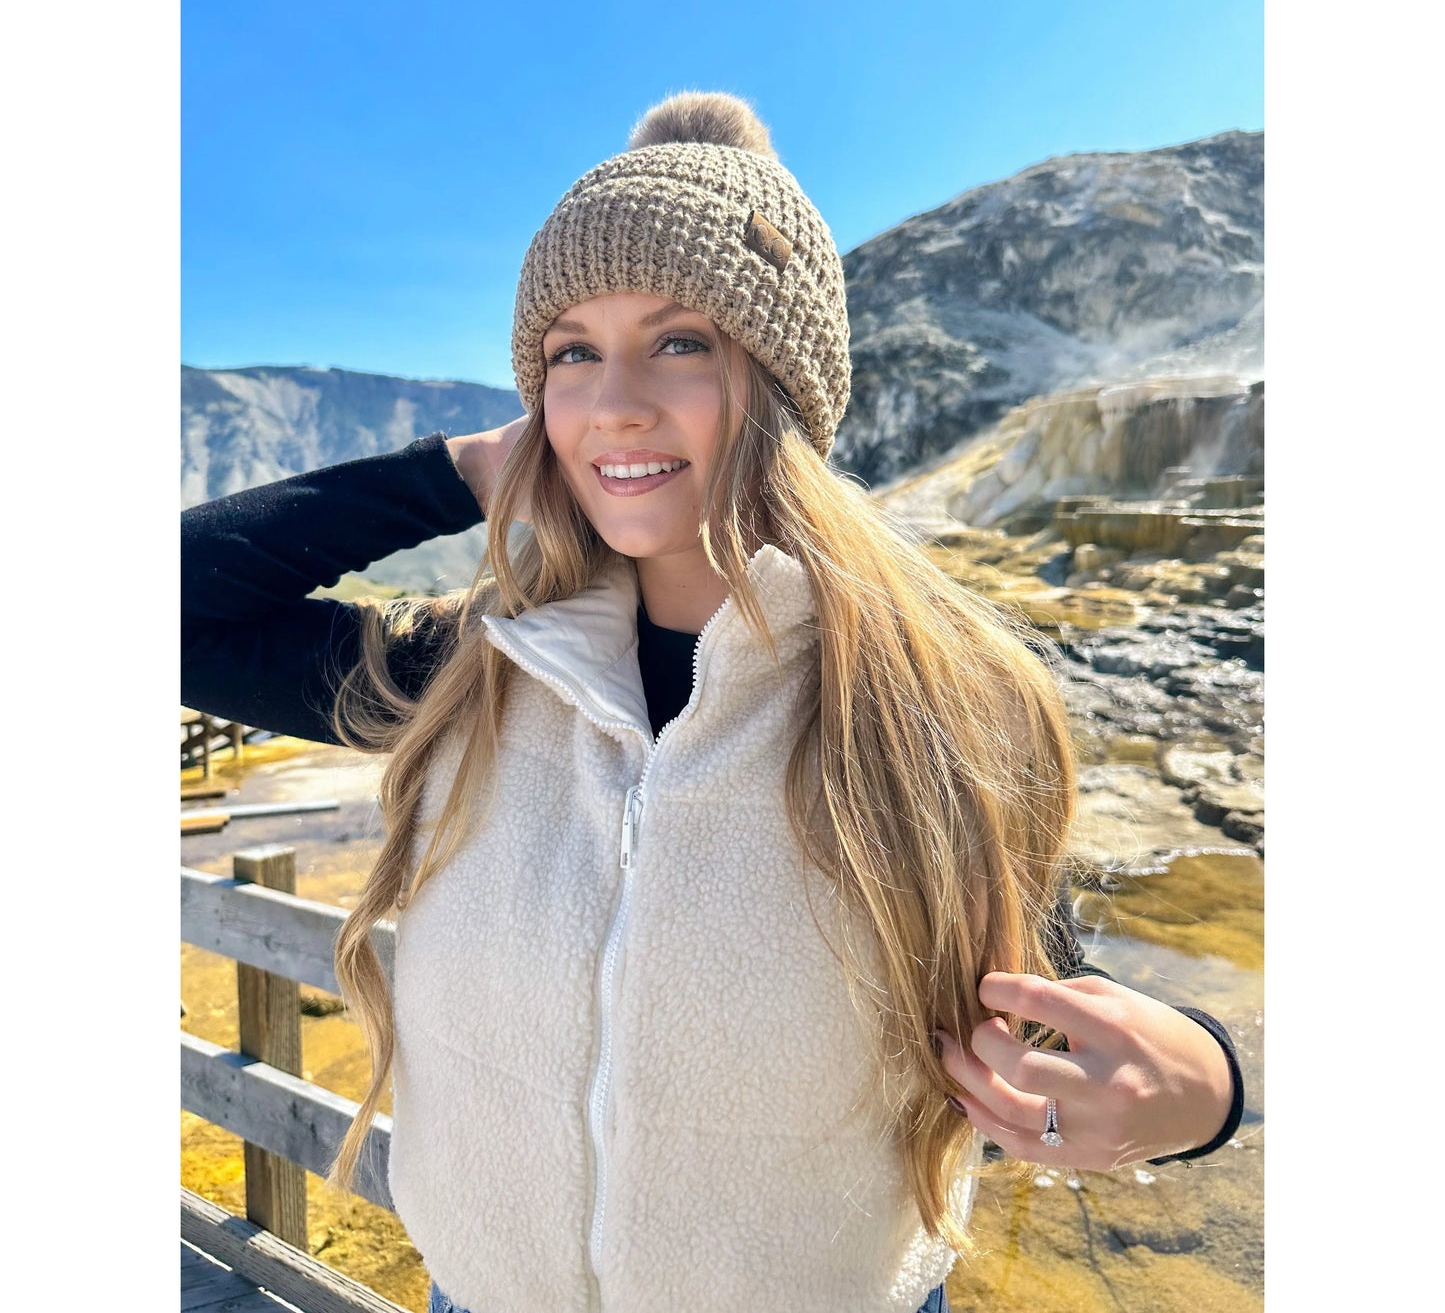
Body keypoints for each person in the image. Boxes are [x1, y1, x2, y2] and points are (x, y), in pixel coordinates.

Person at [181, 92, 1244, 1313]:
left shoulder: (931, 705)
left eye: (680, 339)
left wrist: (1207, 1084)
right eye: (570, 351)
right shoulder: (470, 676)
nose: (613, 400)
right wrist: (458, 468)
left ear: (783, 384)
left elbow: (1053, 1017)